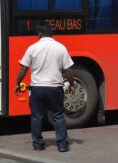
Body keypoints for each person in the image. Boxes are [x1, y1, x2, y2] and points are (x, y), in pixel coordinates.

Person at [14, 22, 75, 153]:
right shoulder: (61, 48)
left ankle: (38, 144)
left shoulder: (32, 48)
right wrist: (72, 85)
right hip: (55, 88)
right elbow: (68, 71)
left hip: (37, 89)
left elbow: (24, 68)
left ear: (39, 34)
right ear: (51, 33)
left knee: (37, 116)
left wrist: (17, 84)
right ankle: (62, 144)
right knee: (58, 115)